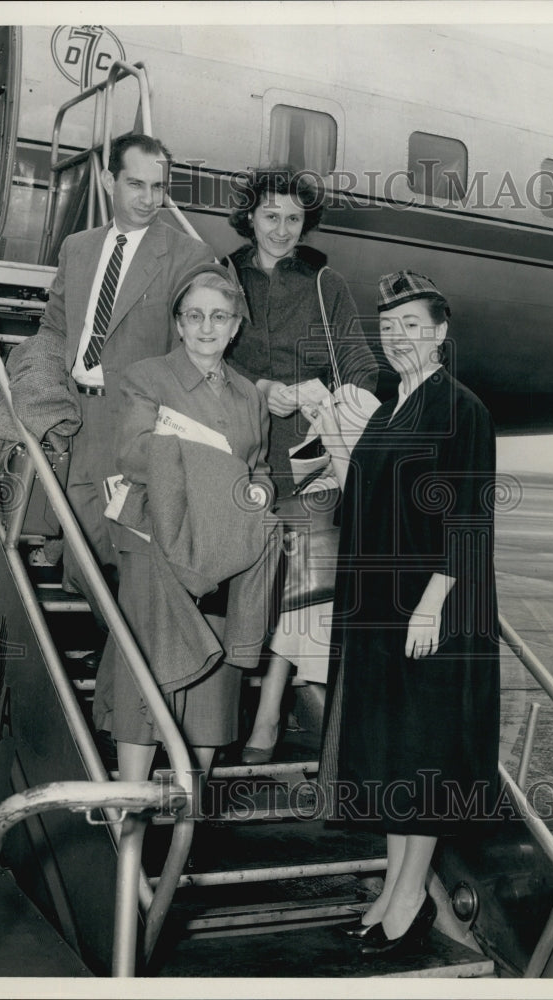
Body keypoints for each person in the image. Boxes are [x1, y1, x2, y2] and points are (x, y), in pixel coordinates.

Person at [307, 271, 500, 958]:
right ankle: (394, 891)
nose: (398, 338)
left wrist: (430, 605)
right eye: (388, 329)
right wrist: (334, 448)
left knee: (420, 758)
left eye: (413, 325)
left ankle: (411, 898)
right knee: (395, 757)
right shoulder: (393, 408)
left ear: (441, 333)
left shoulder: (461, 409)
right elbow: (368, 500)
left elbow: (470, 518)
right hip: (382, 610)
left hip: (431, 609)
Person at [92, 263, 279, 788]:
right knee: (145, 675)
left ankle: (185, 813)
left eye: (219, 317)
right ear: (178, 322)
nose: (206, 327)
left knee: (212, 688)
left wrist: (259, 493)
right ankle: (129, 808)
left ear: (236, 325)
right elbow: (132, 453)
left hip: (223, 549)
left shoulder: (249, 396)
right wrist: (219, 467)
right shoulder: (147, 377)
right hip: (155, 542)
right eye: (194, 316)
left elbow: (258, 470)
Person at [12, 133, 214, 607]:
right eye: (136, 185)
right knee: (84, 559)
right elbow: (55, 324)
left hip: (135, 423)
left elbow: (209, 329)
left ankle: (131, 666)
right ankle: (116, 656)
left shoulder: (188, 255)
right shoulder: (77, 247)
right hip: (78, 420)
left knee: (131, 561)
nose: (148, 199)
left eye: (158, 188)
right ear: (108, 180)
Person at [223, 166, 379, 763]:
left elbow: (358, 361)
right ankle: (228, 701)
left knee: (304, 587)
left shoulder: (324, 282)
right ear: (249, 218)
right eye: (271, 217)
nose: (283, 229)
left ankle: (267, 715)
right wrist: (260, 386)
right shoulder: (221, 276)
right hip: (240, 446)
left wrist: (348, 395)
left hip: (309, 452)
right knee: (242, 576)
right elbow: (203, 354)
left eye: (294, 218)